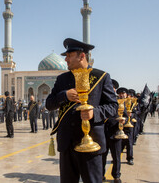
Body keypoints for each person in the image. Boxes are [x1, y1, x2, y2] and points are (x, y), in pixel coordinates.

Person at [46, 38, 118, 183]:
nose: (65, 59)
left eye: (69, 55)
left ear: (82, 56)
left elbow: (113, 106)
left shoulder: (101, 77)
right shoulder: (62, 80)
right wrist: (64, 95)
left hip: (92, 144)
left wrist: (94, 112)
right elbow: (49, 104)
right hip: (67, 143)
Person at [102, 79, 124, 183]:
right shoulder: (101, 100)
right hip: (102, 133)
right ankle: (101, 175)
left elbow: (127, 115)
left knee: (116, 156)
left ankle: (116, 176)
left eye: (113, 88)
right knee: (102, 156)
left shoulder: (120, 101)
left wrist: (124, 121)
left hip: (115, 132)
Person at [118, 87, 134, 166]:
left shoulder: (131, 102)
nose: (121, 95)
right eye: (120, 94)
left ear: (126, 94)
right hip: (119, 126)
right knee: (119, 144)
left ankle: (130, 158)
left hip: (128, 126)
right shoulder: (116, 102)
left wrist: (132, 115)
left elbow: (137, 111)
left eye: (123, 94)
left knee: (129, 143)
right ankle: (117, 159)